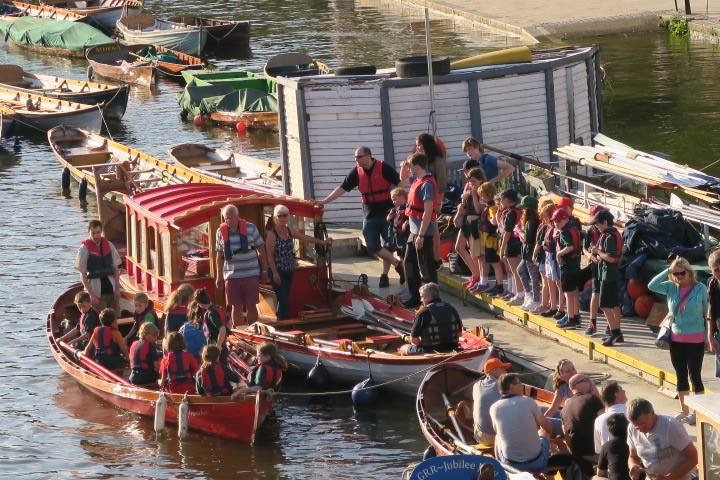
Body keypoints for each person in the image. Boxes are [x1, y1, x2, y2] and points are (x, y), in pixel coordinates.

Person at [321, 146, 403, 288]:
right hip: (370, 214)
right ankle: (398, 265)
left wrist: (403, 206)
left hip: (388, 213)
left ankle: (384, 275)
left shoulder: (383, 167)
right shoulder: (356, 172)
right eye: (355, 157)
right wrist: (324, 201)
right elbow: (342, 188)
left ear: (368, 156)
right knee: (372, 246)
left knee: (388, 246)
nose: (356, 160)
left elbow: (399, 184)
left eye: (359, 157)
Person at [648, 257, 709, 424]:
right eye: (675, 274)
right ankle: (684, 410)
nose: (679, 276)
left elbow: (706, 312)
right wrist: (668, 270)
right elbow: (651, 285)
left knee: (694, 376)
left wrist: (707, 337)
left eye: (682, 273)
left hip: (696, 338)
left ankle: (698, 413)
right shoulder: (670, 288)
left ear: (689, 273)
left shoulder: (700, 288)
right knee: (681, 376)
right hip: (676, 339)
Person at [266, 204, 331, 319]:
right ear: (276, 218)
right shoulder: (272, 234)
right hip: (278, 271)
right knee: (284, 298)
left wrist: (323, 242)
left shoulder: (290, 230)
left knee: (284, 298)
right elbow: (269, 256)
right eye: (279, 216)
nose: (282, 218)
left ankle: (280, 319)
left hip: (289, 270)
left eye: (285, 215)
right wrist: (275, 273)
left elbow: (305, 238)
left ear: (288, 217)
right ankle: (283, 322)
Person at [215, 204, 268, 327]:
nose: (229, 220)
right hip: (231, 276)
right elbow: (219, 256)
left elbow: (261, 249)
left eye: (232, 217)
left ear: (238, 216)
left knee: (251, 305)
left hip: (251, 274)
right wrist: (219, 277)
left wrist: (264, 270)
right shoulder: (220, 232)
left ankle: (253, 330)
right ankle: (240, 331)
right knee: (236, 307)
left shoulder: (251, 228)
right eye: (226, 218)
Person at [490, 373, 554, 472]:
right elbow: (547, 427)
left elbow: (497, 430)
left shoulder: (494, 408)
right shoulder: (529, 402)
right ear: (511, 387)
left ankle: (501, 465)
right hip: (537, 463)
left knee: (497, 436)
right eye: (519, 383)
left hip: (511, 464)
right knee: (544, 431)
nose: (522, 385)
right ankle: (551, 457)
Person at [627, 398, 698, 480]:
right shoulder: (631, 429)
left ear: (653, 413)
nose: (640, 429)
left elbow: (694, 457)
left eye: (643, 424)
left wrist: (669, 478)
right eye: (636, 426)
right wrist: (633, 466)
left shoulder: (670, 426)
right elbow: (633, 457)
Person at [403, 153, 438, 308]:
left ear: (417, 166)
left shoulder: (427, 184)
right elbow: (402, 179)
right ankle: (415, 296)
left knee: (426, 267)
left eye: (410, 165)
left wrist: (422, 235)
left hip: (423, 232)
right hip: (414, 230)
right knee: (409, 262)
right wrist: (404, 166)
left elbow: (428, 211)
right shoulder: (417, 180)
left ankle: (433, 300)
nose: (409, 169)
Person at [590, 210, 625, 346]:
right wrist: (599, 255)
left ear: (605, 222)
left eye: (598, 224)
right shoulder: (610, 234)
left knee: (604, 305)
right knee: (614, 304)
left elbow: (611, 258)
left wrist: (597, 251)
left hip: (608, 275)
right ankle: (618, 333)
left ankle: (614, 332)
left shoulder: (609, 237)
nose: (596, 227)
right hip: (610, 274)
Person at [400, 283, 463, 355]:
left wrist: (422, 341)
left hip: (430, 351)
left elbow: (414, 341)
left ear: (428, 296)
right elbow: (459, 334)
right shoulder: (452, 308)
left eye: (422, 297)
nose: (421, 300)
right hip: (452, 348)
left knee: (403, 348)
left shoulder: (423, 312)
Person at [415, 133, 447, 266]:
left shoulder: (437, 161)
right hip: (421, 200)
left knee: (434, 230)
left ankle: (436, 258)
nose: (417, 147)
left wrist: (439, 202)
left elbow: (442, 183)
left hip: (433, 199)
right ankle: (428, 258)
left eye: (419, 144)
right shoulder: (422, 160)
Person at [75, 219, 121, 310]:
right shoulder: (84, 249)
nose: (96, 235)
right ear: (89, 233)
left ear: (101, 232)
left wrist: (117, 288)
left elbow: (116, 268)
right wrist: (91, 295)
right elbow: (82, 274)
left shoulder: (109, 245)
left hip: (110, 288)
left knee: (114, 317)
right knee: (100, 317)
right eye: (93, 233)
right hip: (96, 290)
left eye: (98, 232)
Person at [454, 165, 485, 291]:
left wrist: (473, 195)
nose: (471, 183)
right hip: (466, 221)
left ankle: (477, 275)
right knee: (459, 247)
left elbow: (478, 210)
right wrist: (457, 215)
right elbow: (462, 207)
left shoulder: (481, 192)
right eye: (469, 180)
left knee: (475, 252)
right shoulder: (467, 191)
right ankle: (475, 273)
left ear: (480, 181)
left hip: (475, 222)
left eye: (474, 181)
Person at [561, 373, 604, 459]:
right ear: (577, 385)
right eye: (586, 380)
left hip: (578, 455)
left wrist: (574, 455)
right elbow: (606, 423)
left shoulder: (564, 409)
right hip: (596, 453)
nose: (590, 383)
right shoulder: (591, 399)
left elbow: (566, 436)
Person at [553, 208, 582, 329]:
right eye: (554, 221)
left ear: (565, 219)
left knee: (568, 293)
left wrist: (559, 254)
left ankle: (571, 319)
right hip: (575, 264)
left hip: (567, 266)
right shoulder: (574, 228)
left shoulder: (565, 231)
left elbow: (569, 247)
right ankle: (576, 316)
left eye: (558, 221)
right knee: (574, 292)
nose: (556, 224)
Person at [472, 357, 512, 444]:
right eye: (502, 368)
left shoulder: (476, 385)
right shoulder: (502, 386)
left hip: (478, 436)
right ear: (493, 371)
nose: (506, 372)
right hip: (495, 438)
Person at [498, 190, 526, 306]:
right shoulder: (518, 211)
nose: (500, 201)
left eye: (502, 199)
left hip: (512, 244)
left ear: (508, 200)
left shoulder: (510, 213)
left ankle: (519, 294)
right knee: (518, 271)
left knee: (515, 271)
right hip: (519, 243)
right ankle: (519, 292)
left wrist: (502, 248)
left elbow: (507, 233)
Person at [477, 182, 503, 296]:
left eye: (482, 195)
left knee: (495, 263)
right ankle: (498, 285)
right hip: (487, 238)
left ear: (488, 194)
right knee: (493, 263)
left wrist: (493, 218)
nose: (481, 197)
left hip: (491, 239)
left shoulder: (492, 207)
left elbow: (494, 221)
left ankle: (499, 285)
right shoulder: (489, 206)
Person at [189, 288, 229, 363]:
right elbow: (229, 322)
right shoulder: (219, 308)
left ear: (198, 302)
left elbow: (222, 328)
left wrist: (218, 346)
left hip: (215, 348)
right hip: (224, 345)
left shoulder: (211, 313)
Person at [535, 202, 561, 317]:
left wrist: (544, 242)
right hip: (547, 255)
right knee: (550, 282)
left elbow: (553, 242)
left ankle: (559, 308)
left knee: (558, 283)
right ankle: (553, 306)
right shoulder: (548, 228)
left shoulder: (555, 228)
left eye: (545, 216)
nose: (543, 219)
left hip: (553, 257)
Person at [584, 205, 605, 335]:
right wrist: (591, 256)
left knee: (609, 296)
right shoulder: (590, 231)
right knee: (595, 292)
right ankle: (592, 322)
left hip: (608, 267)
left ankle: (612, 327)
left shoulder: (609, 231)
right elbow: (584, 249)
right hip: (596, 266)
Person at [517, 195, 541, 312]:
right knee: (520, 270)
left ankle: (536, 300)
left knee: (533, 276)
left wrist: (519, 231)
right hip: (527, 253)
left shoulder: (531, 222)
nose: (522, 210)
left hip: (531, 253)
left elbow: (527, 238)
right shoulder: (530, 221)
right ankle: (528, 295)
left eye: (523, 208)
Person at [594, 381, 628, 454]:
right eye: (621, 389)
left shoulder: (598, 420)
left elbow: (599, 450)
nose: (624, 391)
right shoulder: (631, 413)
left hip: (610, 462)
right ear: (616, 394)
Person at [596, 413, 630, 480]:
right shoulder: (634, 442)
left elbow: (600, 473)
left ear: (610, 429)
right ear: (628, 426)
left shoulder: (607, 446)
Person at [705, 249, 720, 379]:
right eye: (716, 270)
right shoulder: (713, 284)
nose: (719, 273)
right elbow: (711, 311)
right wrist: (710, 335)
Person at [387, 187, 410, 267]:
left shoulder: (408, 208)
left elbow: (411, 218)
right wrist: (389, 217)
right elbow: (389, 219)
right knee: (399, 253)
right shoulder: (394, 209)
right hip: (397, 235)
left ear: (402, 197)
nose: (393, 202)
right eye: (392, 200)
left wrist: (407, 222)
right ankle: (403, 268)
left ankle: (406, 268)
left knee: (405, 252)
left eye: (395, 199)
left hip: (404, 235)